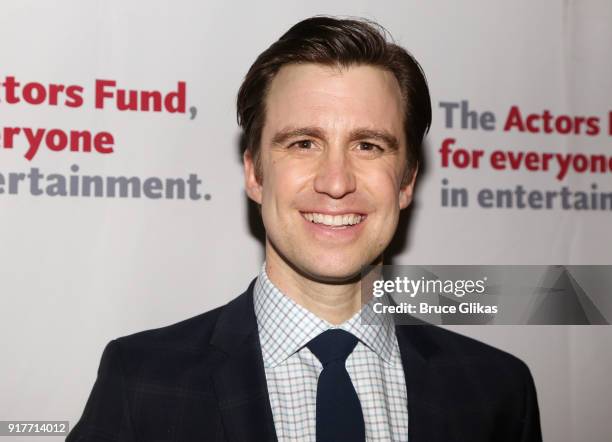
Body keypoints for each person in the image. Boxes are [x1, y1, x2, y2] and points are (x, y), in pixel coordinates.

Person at [67, 16, 542, 442]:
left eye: (369, 146)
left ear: (407, 182)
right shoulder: (143, 381)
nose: (336, 182)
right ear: (254, 174)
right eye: (303, 143)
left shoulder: (497, 391)